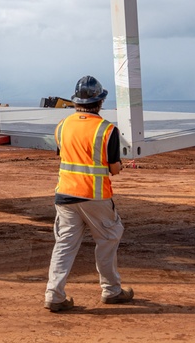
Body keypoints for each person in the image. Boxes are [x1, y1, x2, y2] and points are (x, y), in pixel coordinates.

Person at [44, 75, 133, 312]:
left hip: (65, 194)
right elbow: (114, 168)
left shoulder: (62, 126)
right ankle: (111, 290)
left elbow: (65, 156)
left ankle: (54, 294)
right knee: (107, 239)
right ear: (100, 102)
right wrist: (118, 166)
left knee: (64, 245)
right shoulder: (107, 130)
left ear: (75, 102)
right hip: (95, 197)